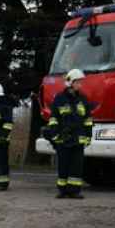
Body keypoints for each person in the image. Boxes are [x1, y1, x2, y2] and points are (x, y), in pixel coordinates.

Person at [44, 69, 93, 199]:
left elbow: (88, 120)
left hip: (78, 139)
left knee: (76, 166)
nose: (80, 85)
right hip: (63, 138)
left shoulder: (83, 99)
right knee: (63, 165)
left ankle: (75, 191)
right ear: (70, 82)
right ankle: (63, 190)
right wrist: (55, 135)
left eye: (80, 82)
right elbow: (54, 118)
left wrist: (89, 136)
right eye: (78, 82)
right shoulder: (59, 99)